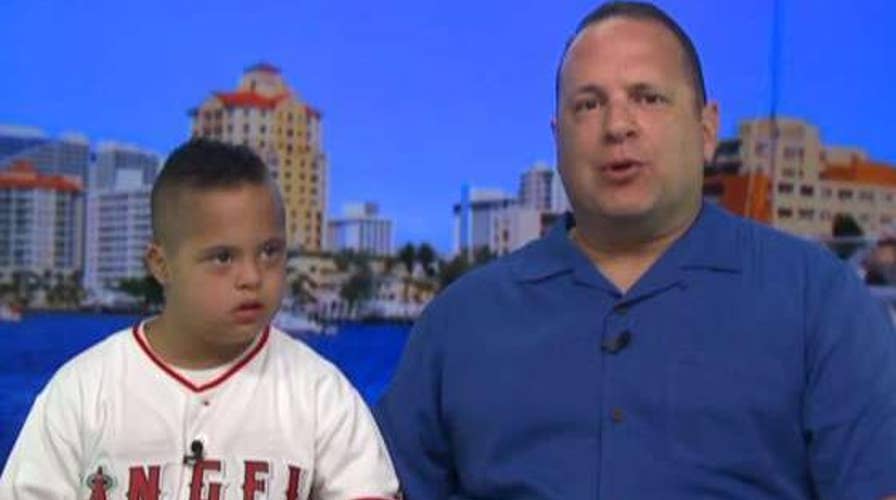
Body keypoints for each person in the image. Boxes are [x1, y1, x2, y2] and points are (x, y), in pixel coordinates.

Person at [375, 2, 896, 498]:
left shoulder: (818, 301)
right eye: (589, 104)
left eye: (647, 97)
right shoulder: (461, 320)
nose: (617, 125)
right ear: (558, 138)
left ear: (707, 129)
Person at [1, 139, 400, 499]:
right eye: (223, 258)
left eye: (270, 252)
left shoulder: (320, 393)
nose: (252, 277)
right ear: (161, 265)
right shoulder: (83, 392)